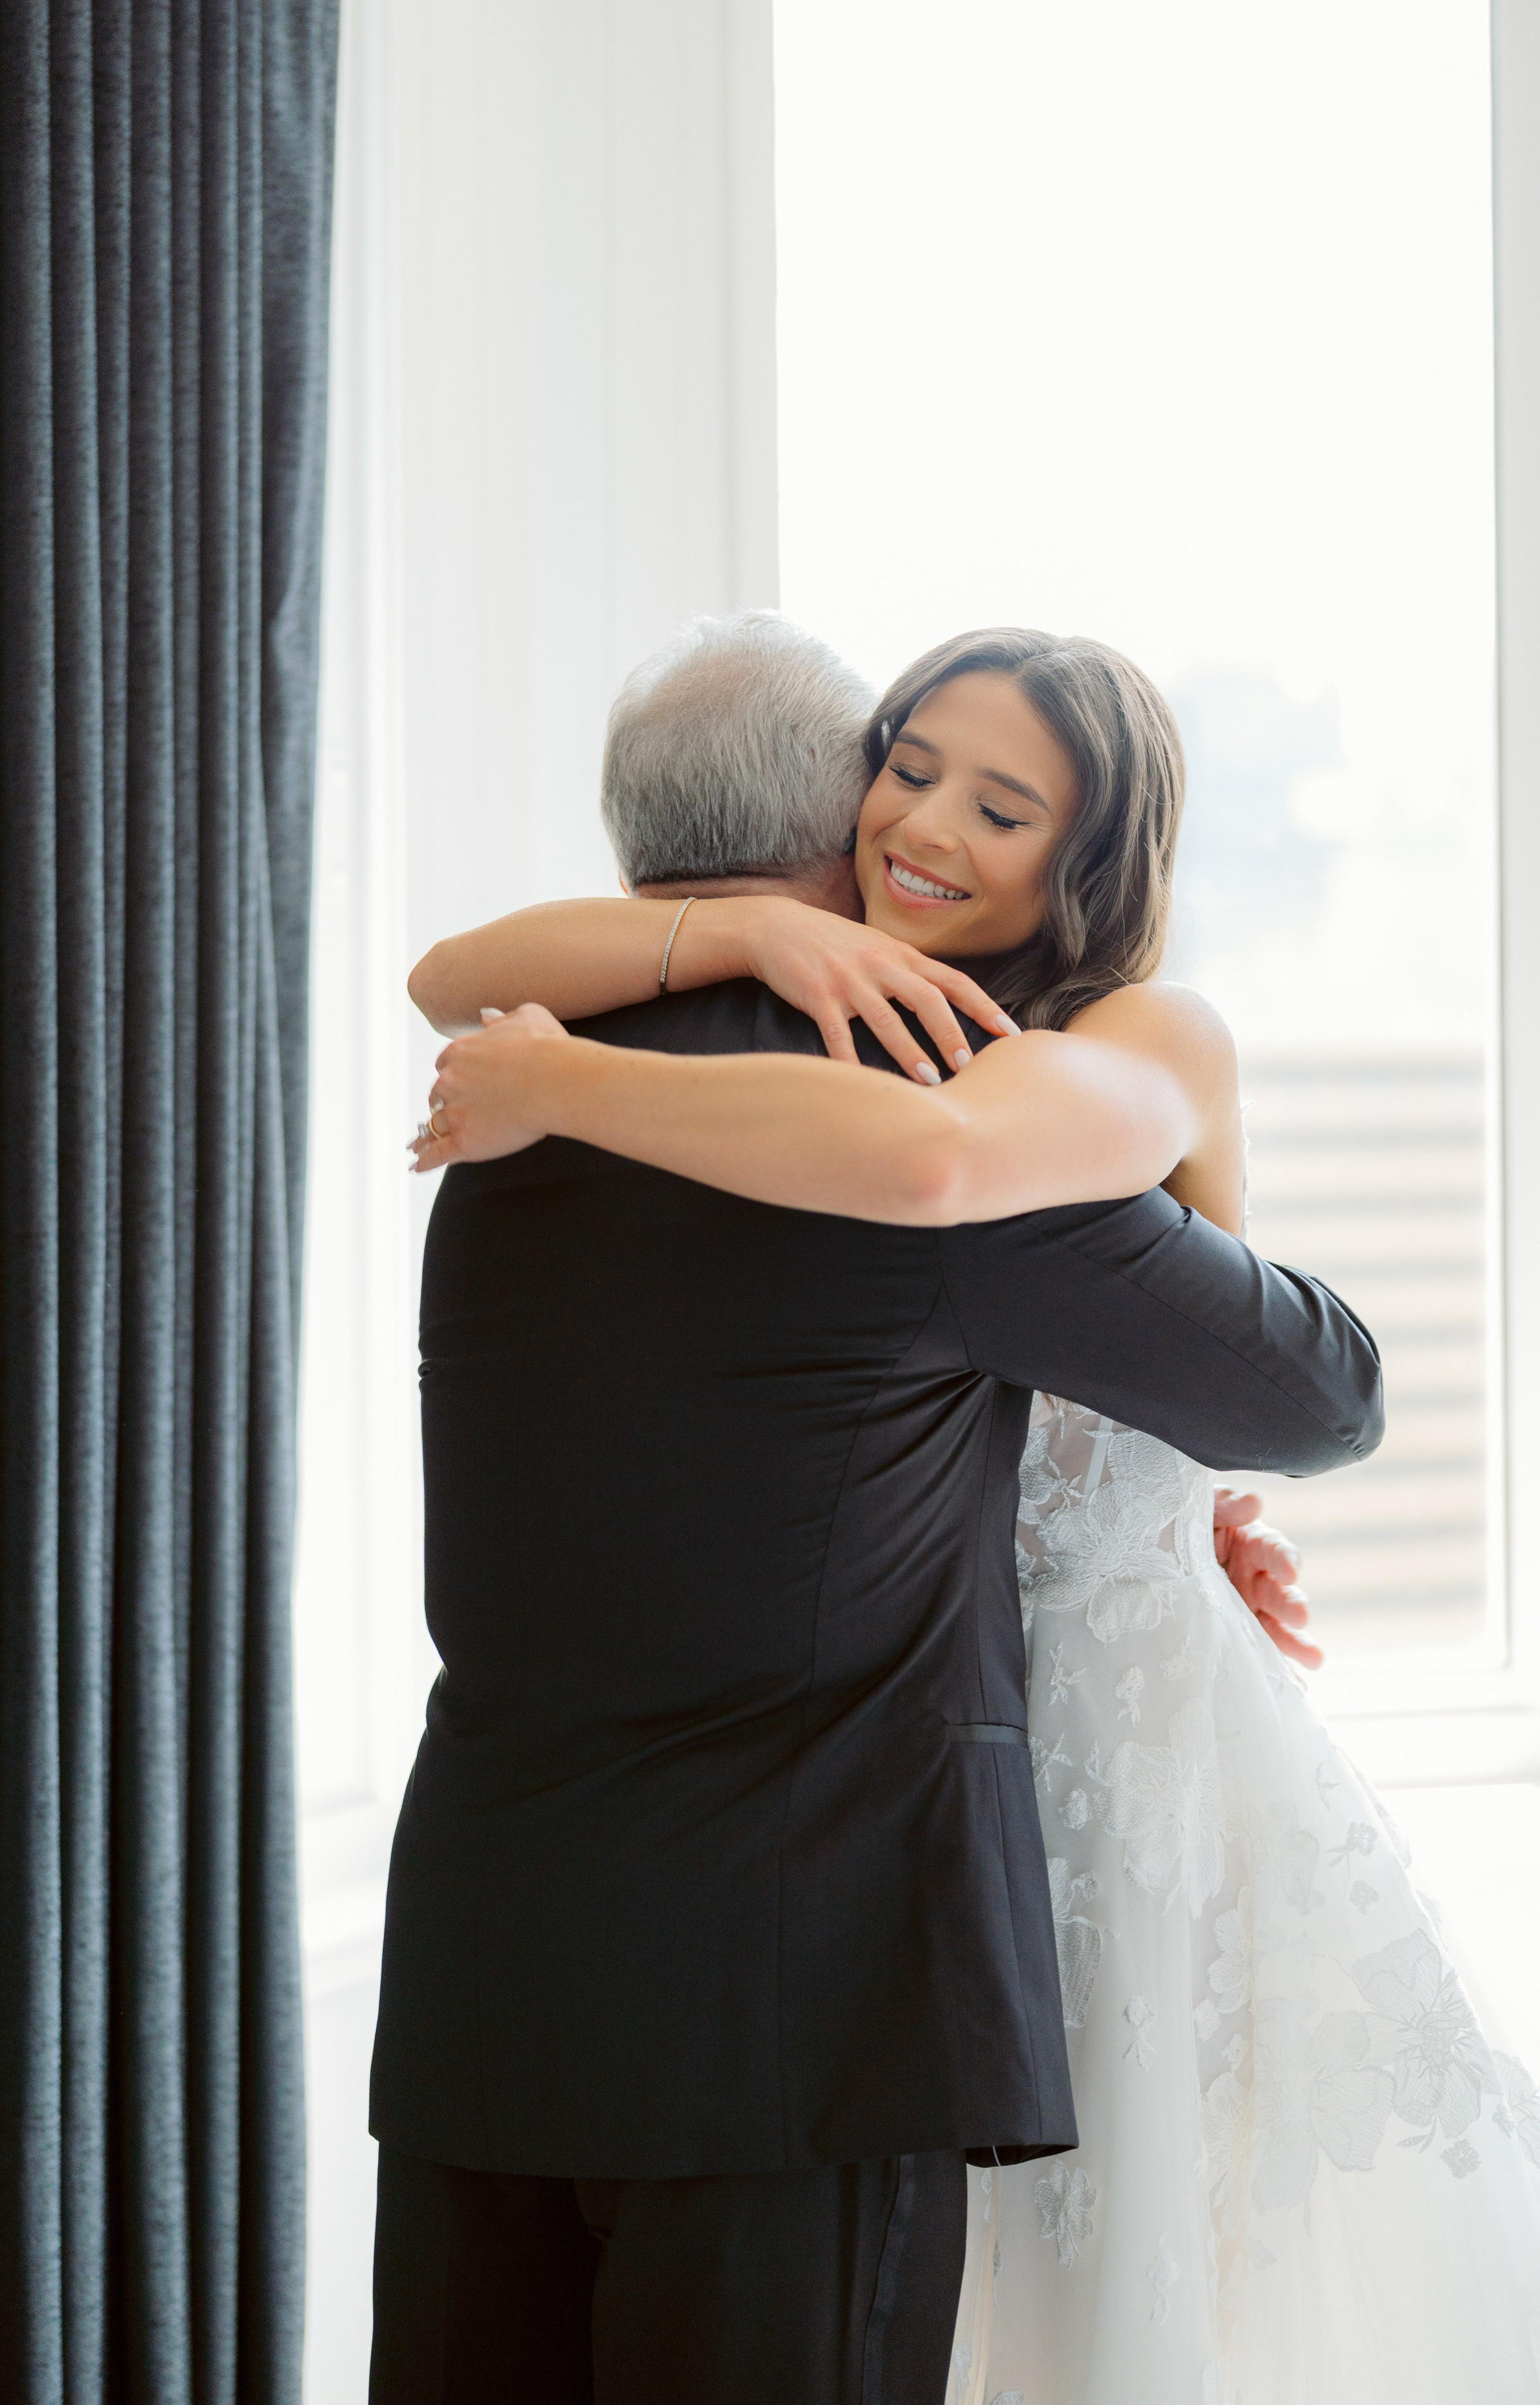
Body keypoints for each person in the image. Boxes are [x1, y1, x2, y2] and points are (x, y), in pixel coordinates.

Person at [410, 616, 1540, 2403]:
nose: (921, 824)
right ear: (834, 807)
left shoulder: (504, 1127)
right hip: (797, 2002)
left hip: (491, 1969)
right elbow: (1320, 1390)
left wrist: (1137, 1495)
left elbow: (744, 1466)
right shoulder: (918, 1133)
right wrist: (1167, 1469)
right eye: (908, 770)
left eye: (994, 803)